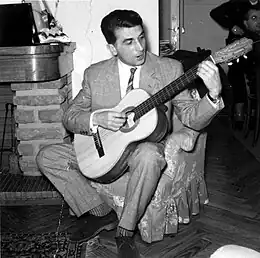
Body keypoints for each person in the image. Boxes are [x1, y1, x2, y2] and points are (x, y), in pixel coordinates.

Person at [36, 9, 224, 258]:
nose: (140, 47)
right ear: (112, 48)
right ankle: (99, 213)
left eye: (141, 37)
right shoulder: (95, 74)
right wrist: (96, 118)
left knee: (150, 156)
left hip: (144, 148)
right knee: (47, 156)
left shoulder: (169, 69)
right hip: (106, 146)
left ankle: (125, 231)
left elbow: (190, 117)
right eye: (128, 41)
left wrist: (213, 95)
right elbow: (70, 117)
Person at [210, 1, 260, 129]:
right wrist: (232, 26)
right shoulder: (238, 3)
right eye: (254, 18)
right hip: (240, 46)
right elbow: (215, 13)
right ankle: (240, 113)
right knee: (238, 71)